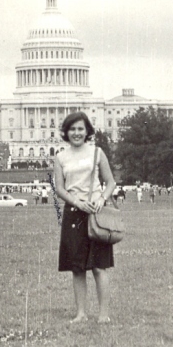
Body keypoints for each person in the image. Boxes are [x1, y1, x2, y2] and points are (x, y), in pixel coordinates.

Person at [54, 112, 116, 324]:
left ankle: (103, 314)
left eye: (80, 129)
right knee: (77, 267)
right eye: (72, 129)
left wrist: (102, 199)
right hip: (74, 213)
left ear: (87, 131)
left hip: (96, 213)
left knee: (99, 266)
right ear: (66, 132)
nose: (77, 133)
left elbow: (110, 182)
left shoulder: (97, 153)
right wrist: (76, 202)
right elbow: (60, 189)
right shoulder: (61, 157)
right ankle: (81, 313)